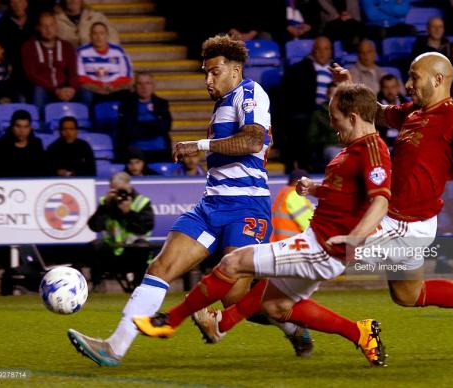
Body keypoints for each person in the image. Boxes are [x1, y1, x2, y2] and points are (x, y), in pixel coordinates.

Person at [67, 34, 310, 366]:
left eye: (215, 72)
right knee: (161, 267)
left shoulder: (251, 93)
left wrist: (201, 146)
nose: (208, 79)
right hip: (210, 207)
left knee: (236, 297)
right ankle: (113, 347)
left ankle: (293, 325)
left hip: (246, 209)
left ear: (236, 70)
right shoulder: (221, 104)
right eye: (205, 73)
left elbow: (253, 141)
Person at [132, 82, 390, 367]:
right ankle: (361, 333)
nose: (332, 124)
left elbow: (380, 201)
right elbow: (347, 192)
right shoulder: (353, 149)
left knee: (233, 264)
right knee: (276, 305)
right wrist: (315, 188)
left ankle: (171, 320)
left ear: (353, 118)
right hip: (318, 240)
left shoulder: (371, 150)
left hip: (323, 247)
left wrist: (355, 238)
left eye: (335, 118)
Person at [325, 53, 453, 337]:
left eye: (414, 76)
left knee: (328, 250)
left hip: (403, 224)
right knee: (408, 295)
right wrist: (350, 86)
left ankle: (280, 307)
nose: (408, 83)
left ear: (438, 79)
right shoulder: (414, 112)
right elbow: (379, 112)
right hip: (406, 221)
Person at [87, 172, 154, 292]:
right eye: (114, 190)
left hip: (132, 252)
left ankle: (139, 288)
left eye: (121, 190)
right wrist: (105, 206)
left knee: (142, 246)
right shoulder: (106, 202)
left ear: (129, 186)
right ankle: (97, 286)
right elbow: (95, 227)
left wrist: (129, 213)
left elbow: (145, 227)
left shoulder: (142, 202)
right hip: (112, 251)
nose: (119, 194)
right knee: (95, 246)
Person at [279, 36, 333, 172]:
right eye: (318, 49)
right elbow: (288, 99)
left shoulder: (338, 71)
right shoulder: (297, 70)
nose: (322, 53)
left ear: (331, 51)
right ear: (312, 51)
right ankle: (302, 166)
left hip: (331, 114)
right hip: (307, 113)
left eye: (326, 49)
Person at [21, 12, 80, 111]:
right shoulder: (28, 47)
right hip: (44, 88)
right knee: (38, 91)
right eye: (44, 26)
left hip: (65, 88)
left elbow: (73, 72)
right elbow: (32, 75)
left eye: (51, 25)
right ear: (38, 28)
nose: (48, 29)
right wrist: (55, 90)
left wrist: (72, 88)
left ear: (56, 27)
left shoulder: (67, 46)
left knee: (85, 93)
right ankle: (39, 123)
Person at [115, 72, 172, 163]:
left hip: (160, 150)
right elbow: (129, 129)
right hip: (134, 151)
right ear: (135, 86)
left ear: (153, 86)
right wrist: (154, 126)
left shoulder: (161, 103)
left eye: (147, 83)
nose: (144, 87)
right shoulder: (126, 104)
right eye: (140, 83)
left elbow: (165, 126)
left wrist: (140, 126)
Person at [77, 22, 133, 105]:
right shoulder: (81, 51)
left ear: (107, 35)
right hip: (92, 90)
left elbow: (126, 77)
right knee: (85, 95)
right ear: (90, 36)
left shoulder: (118, 51)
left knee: (129, 95)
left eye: (101, 33)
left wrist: (112, 86)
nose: (98, 37)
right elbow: (80, 77)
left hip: (115, 89)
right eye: (95, 33)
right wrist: (99, 86)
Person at [0, 109, 47, 177]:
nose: (22, 131)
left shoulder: (36, 144)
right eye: (18, 126)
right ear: (12, 127)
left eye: (26, 127)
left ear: (30, 128)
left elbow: (42, 170)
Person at [270, 169, 315, 242]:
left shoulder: (284, 193)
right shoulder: (294, 194)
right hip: (292, 244)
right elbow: (307, 223)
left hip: (281, 243)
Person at [54, 0, 119, 48]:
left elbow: (113, 39)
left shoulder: (96, 17)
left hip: (94, 62)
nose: (73, 0)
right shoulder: (54, 20)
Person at [307, 82, 341, 170]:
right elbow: (312, 138)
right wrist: (328, 140)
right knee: (337, 157)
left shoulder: (349, 112)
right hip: (330, 146)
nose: (335, 98)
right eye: (332, 94)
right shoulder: (318, 114)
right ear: (327, 95)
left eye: (337, 95)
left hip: (348, 146)